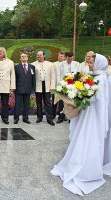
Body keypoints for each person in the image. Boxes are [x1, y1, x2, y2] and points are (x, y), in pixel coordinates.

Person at [51, 54, 109, 195]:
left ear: (99, 63)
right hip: (87, 112)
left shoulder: (101, 78)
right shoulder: (93, 75)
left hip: (93, 115)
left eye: (92, 61)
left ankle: (87, 167)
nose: (89, 63)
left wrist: (79, 94)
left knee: (89, 137)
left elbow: (98, 99)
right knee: (82, 136)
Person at [32, 51, 55, 126]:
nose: (38, 56)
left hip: (47, 85)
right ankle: (39, 117)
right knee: (38, 102)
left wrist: (52, 86)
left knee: (47, 103)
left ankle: (49, 119)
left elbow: (53, 76)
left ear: (44, 56)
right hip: (38, 85)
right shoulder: (33, 64)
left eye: (40, 55)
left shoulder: (50, 64)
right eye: (37, 55)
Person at [13, 53, 36, 124]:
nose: (24, 57)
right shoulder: (16, 67)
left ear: (27, 58)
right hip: (19, 89)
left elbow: (33, 78)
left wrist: (33, 89)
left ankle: (25, 118)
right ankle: (16, 118)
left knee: (26, 104)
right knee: (17, 105)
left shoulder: (32, 67)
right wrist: (13, 88)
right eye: (22, 57)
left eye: (25, 56)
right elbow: (14, 78)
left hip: (28, 89)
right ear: (20, 59)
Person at [52, 51, 65, 120]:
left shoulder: (66, 65)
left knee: (62, 103)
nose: (60, 57)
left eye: (62, 56)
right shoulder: (54, 64)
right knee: (54, 101)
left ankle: (61, 116)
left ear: (64, 57)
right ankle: (53, 115)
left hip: (63, 87)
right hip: (55, 86)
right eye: (59, 56)